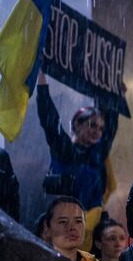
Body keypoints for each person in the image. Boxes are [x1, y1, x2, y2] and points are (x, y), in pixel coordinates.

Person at [36, 71, 119, 251]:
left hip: (93, 232)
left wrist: (114, 93)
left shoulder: (97, 155)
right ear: (77, 124)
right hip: (65, 227)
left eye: (100, 128)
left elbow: (110, 129)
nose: (97, 131)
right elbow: (50, 121)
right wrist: (42, 85)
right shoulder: (65, 150)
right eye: (92, 125)